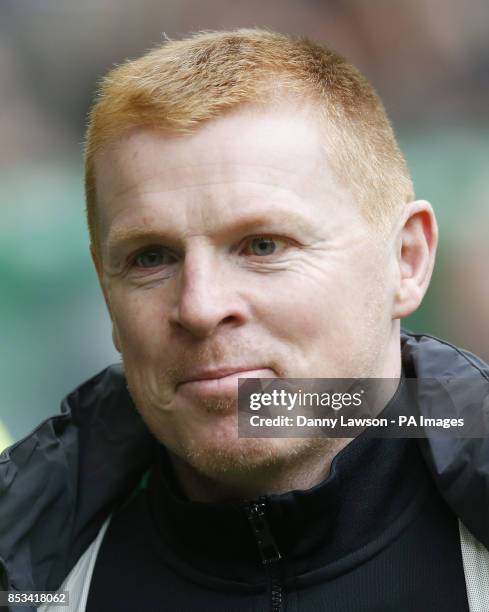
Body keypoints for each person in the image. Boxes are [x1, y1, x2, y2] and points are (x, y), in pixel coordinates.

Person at [1, 28, 488, 612]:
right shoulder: (33, 577)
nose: (201, 307)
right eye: (150, 258)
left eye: (263, 246)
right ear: (106, 288)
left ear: (407, 260)